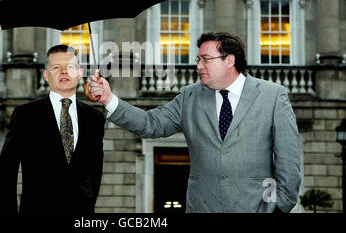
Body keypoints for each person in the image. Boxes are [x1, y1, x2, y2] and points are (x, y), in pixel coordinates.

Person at [90, 32, 301, 213]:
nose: (199, 65)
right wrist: (109, 99)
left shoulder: (272, 96)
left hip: (256, 207)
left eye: (206, 59)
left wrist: (280, 207)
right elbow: (150, 123)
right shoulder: (189, 96)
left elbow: (289, 162)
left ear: (229, 61)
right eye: (198, 59)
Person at [0, 45, 105, 213]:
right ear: (46, 75)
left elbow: (95, 173)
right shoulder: (26, 115)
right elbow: (5, 172)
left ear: (80, 73)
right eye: (56, 67)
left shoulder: (94, 118)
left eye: (69, 67)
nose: (63, 72)